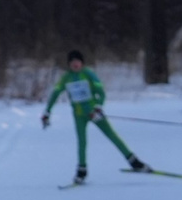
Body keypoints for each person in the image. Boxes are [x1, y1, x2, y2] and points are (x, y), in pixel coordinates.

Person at [42, 50, 151, 183]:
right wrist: (47, 112)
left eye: (78, 62)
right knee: (82, 142)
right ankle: (81, 171)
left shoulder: (89, 74)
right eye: (72, 62)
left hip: (93, 113)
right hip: (79, 115)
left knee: (111, 135)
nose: (75, 64)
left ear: (82, 63)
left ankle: (134, 161)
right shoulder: (66, 77)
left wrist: (98, 107)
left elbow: (101, 92)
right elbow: (55, 93)